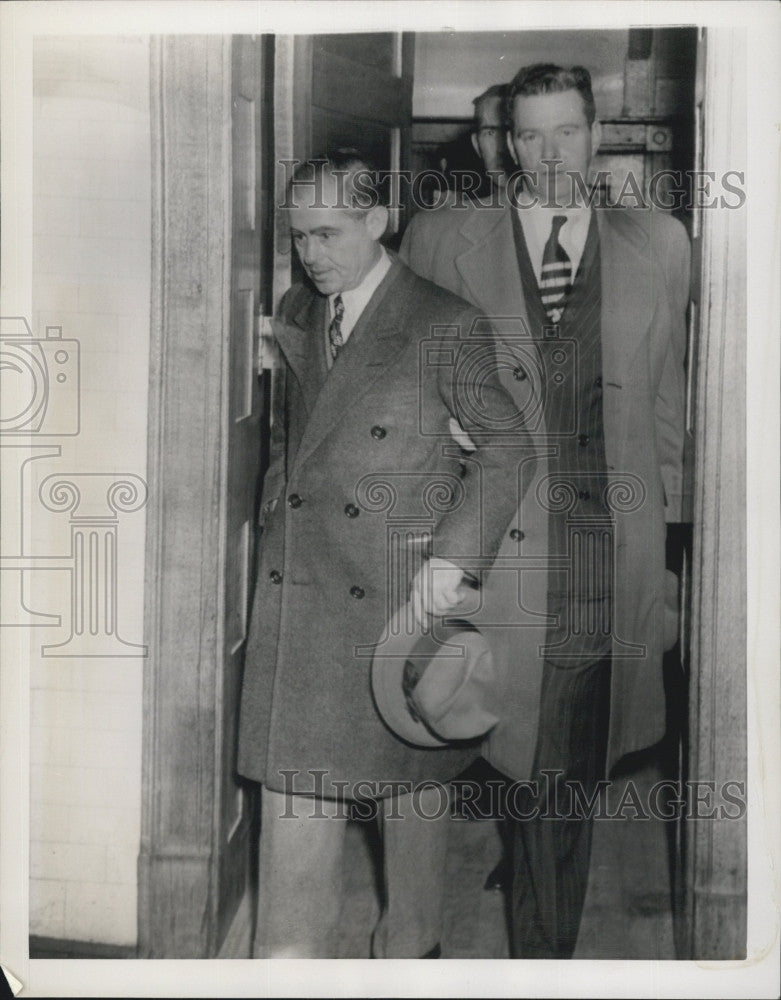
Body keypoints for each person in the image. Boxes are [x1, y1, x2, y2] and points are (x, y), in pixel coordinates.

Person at [400, 63, 689, 958]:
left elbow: (665, 404)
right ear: (503, 142)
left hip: (609, 550)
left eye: (566, 131)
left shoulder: (660, 243)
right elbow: (399, 375)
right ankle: (524, 852)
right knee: (492, 731)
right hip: (491, 543)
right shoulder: (444, 239)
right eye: (529, 135)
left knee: (564, 749)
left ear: (595, 133)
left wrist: (671, 546)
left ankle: (540, 953)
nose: (549, 153)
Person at [237, 149, 533, 958]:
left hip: (399, 593)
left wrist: (452, 562)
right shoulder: (303, 306)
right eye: (300, 237)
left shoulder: (445, 322)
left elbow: (509, 449)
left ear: (378, 221)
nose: (312, 254)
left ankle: (411, 949)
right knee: (296, 793)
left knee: (412, 788)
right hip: (302, 588)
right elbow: (297, 443)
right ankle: (285, 966)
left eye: (328, 233)